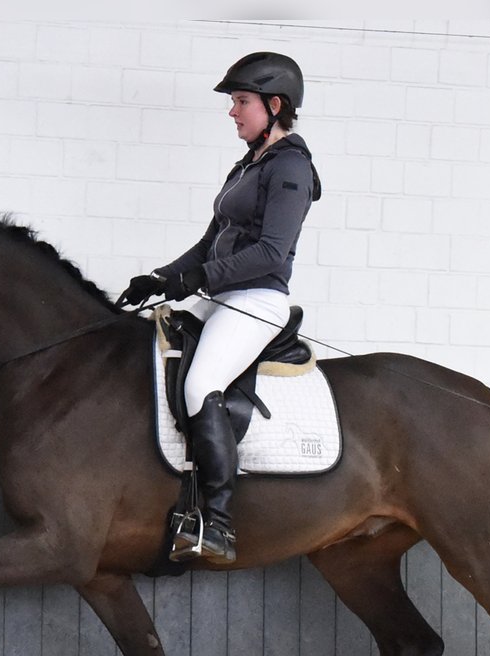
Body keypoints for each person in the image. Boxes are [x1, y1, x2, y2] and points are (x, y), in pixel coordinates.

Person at [119, 51, 322, 564]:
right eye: (234, 102)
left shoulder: (292, 167)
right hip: (222, 297)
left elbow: (271, 252)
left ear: (275, 105)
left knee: (198, 384)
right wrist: (161, 278)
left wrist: (199, 279)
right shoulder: (247, 165)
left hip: (256, 300)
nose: (233, 112)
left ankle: (220, 524)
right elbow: (210, 243)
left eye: (241, 102)